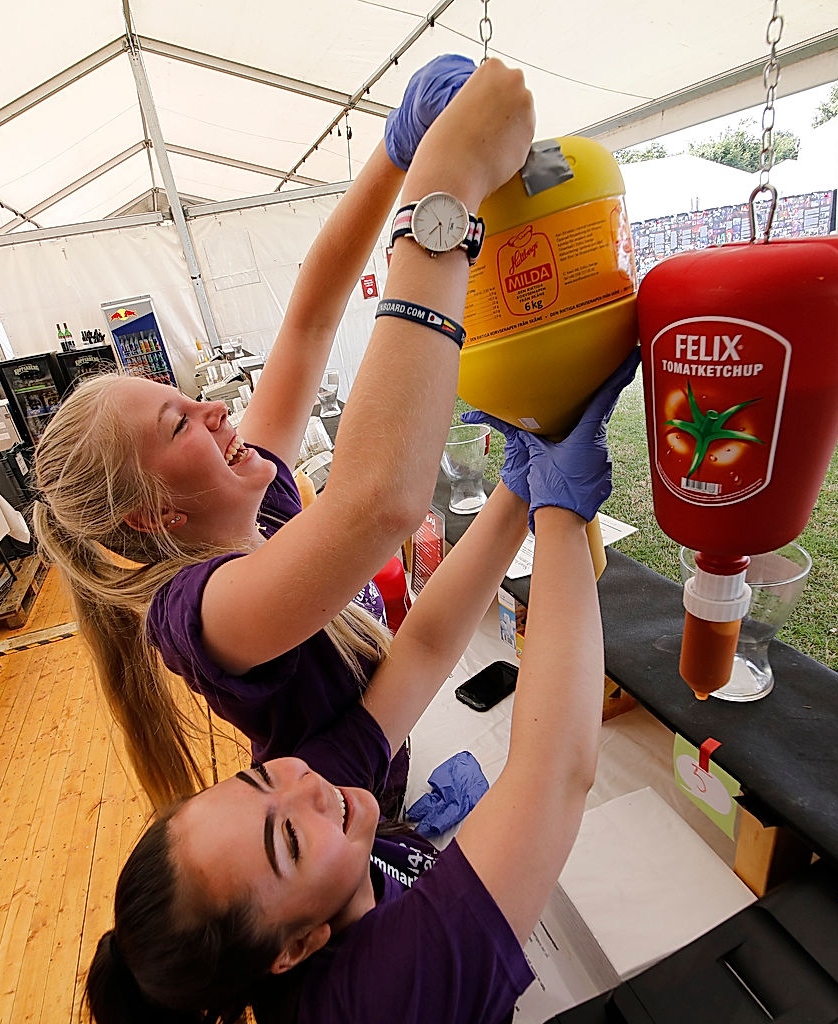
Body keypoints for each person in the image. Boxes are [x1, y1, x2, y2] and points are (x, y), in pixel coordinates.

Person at [30, 56, 534, 815]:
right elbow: (379, 505)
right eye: (178, 423)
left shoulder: (249, 510)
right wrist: (441, 196)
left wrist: (394, 154)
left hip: (393, 753)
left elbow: (308, 321)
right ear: (151, 512)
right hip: (345, 845)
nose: (215, 411)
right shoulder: (196, 617)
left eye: (188, 398)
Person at [83, 351, 641, 1024]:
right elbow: (555, 772)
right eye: (287, 842)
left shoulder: (309, 796)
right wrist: (559, 512)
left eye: (255, 782)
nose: (305, 786)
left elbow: (424, 652)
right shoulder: (377, 996)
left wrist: (521, 486)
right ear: (296, 950)